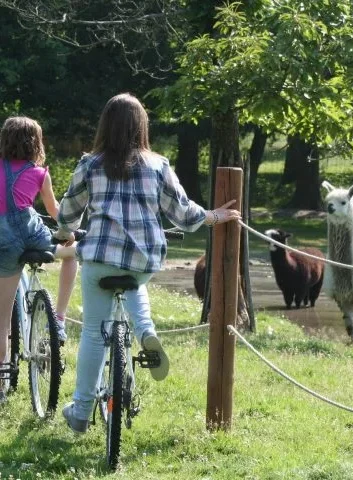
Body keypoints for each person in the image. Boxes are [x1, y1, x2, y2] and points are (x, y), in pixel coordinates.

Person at [56, 92, 241, 433]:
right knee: (134, 284)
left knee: (95, 335)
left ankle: (81, 412)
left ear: (105, 126)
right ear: (141, 126)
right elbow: (184, 214)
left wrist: (66, 232)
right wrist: (215, 215)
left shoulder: (89, 164)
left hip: (99, 259)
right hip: (142, 261)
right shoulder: (158, 166)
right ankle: (146, 332)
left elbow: (68, 212)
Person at [0, 116, 78, 402]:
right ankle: (59, 316)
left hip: (4, 245)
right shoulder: (40, 174)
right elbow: (55, 211)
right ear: (36, 143)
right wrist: (71, 231)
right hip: (35, 239)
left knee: (2, 319)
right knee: (75, 251)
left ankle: (1, 380)